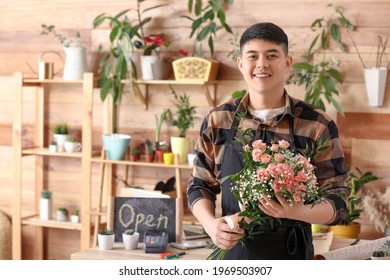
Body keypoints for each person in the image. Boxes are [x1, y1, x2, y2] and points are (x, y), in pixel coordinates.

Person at [187, 22, 350, 260]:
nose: (262, 64)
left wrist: (299, 211)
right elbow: (199, 186)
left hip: (292, 257)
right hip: (233, 256)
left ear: (287, 63)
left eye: (271, 56)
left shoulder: (316, 123)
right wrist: (212, 225)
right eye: (253, 56)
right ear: (241, 63)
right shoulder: (218, 120)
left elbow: (338, 200)